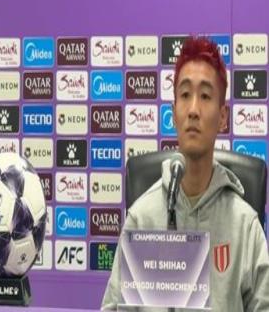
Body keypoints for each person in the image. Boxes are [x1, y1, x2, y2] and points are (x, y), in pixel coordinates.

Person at [102, 36, 269, 311]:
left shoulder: (245, 227)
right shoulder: (142, 219)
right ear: (173, 112)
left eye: (205, 96)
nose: (193, 110)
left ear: (223, 117)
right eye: (185, 95)